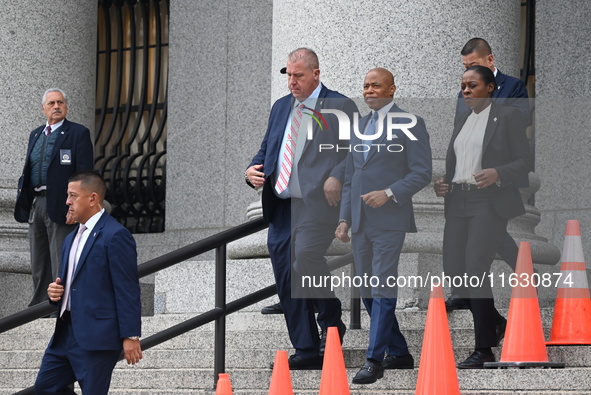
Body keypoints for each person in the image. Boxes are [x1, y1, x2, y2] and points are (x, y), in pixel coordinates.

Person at [245, 48, 358, 369]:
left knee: (305, 257)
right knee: (286, 276)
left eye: (299, 76)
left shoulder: (339, 105)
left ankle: (331, 316)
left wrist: (336, 175)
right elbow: (267, 150)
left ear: (316, 74)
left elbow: (354, 151)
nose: (292, 82)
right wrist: (251, 170)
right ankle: (306, 349)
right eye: (288, 75)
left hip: (317, 205)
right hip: (281, 206)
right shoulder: (281, 107)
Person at [335, 68, 432, 384]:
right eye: (365, 85)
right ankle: (400, 352)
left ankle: (374, 359)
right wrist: (344, 219)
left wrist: (389, 193)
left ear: (392, 90)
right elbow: (351, 178)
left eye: (376, 85)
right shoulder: (359, 126)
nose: (369, 90)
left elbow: (422, 172)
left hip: (390, 221)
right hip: (361, 223)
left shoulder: (411, 124)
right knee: (365, 290)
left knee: (381, 287)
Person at [434, 66, 530, 368]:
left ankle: (484, 349)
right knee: (454, 268)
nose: (465, 91)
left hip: (488, 201)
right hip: (458, 200)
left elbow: (525, 161)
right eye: (462, 86)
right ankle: (496, 322)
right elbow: (458, 162)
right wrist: (445, 183)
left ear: (490, 88)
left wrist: (499, 173)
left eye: (472, 85)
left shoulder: (508, 116)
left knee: (475, 266)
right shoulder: (462, 118)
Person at [34, 170, 142, 394]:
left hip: (98, 336)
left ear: (92, 199)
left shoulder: (116, 235)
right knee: (45, 387)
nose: (67, 201)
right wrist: (56, 292)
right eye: (67, 195)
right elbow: (71, 283)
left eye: (73, 195)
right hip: (65, 332)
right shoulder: (71, 237)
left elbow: (127, 289)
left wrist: (131, 336)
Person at [445, 37, 531, 312]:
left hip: (497, 175)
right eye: (464, 67)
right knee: (486, 240)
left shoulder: (513, 86)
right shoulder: (466, 92)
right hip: (467, 179)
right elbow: (463, 124)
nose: (468, 73)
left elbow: (520, 120)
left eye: (473, 65)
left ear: (490, 61)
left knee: (487, 241)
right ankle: (467, 293)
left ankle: (524, 276)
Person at [14, 88, 94, 308]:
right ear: (43, 109)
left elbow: (85, 174)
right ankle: (41, 308)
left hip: (62, 204)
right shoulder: (36, 134)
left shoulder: (78, 133)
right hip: (36, 203)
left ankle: (62, 306)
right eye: (51, 103)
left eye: (60, 102)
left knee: (60, 260)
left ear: (66, 107)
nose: (56, 106)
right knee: (39, 262)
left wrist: (76, 206)